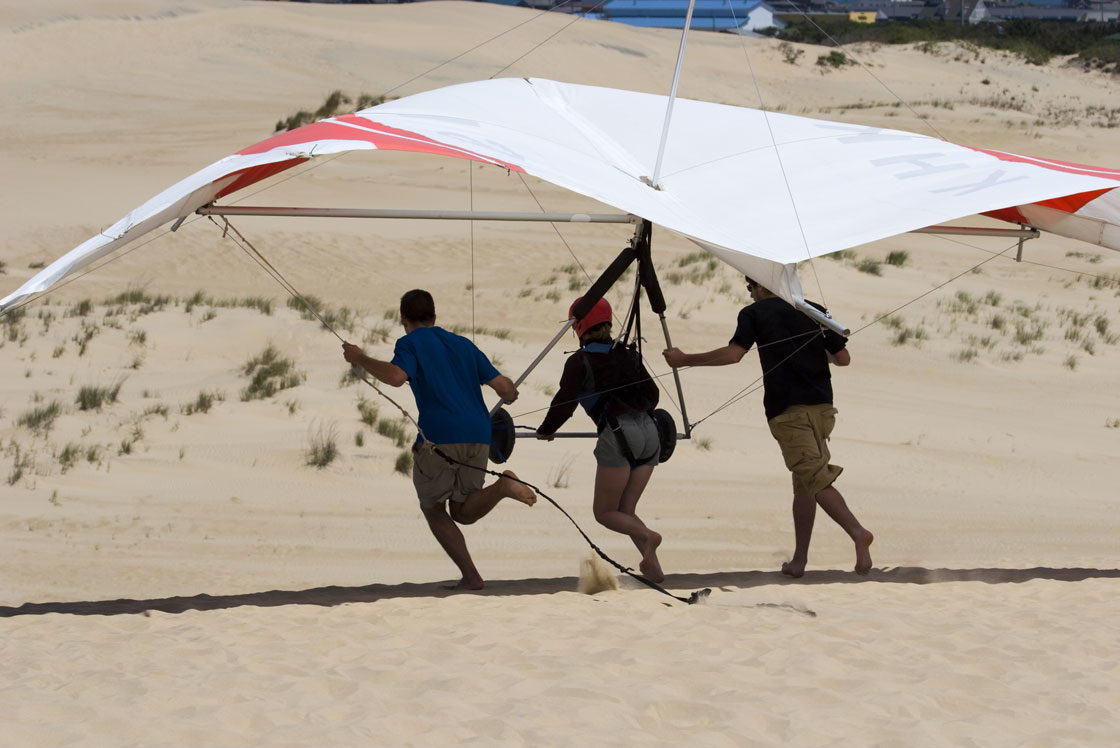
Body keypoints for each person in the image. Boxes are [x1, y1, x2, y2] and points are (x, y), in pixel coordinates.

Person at [662, 276, 873, 578]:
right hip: (823, 407)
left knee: (814, 478)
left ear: (763, 285)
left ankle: (858, 533)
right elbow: (843, 358)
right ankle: (799, 561)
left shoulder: (754, 313)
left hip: (788, 410)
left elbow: (734, 354)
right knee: (804, 483)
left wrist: (686, 360)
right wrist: (808, 348)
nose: (749, 293)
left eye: (751, 287)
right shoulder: (813, 309)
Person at [342, 289, 536, 591]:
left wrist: (359, 358)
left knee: (432, 506)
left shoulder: (409, 342)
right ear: (434, 316)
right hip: (479, 434)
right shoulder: (463, 344)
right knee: (462, 511)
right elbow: (504, 388)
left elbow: (396, 377)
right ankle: (502, 487)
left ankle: (472, 574)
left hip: (441, 436)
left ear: (403, 319)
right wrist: (511, 394)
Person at [536, 297, 666, 582]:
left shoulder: (579, 361)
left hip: (619, 434)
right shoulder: (629, 354)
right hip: (650, 431)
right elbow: (653, 396)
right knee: (626, 510)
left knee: (605, 512)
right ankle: (654, 568)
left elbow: (564, 402)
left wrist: (547, 429)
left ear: (579, 326)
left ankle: (648, 536)